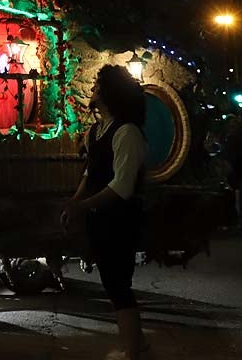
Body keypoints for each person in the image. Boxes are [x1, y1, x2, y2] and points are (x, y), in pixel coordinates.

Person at [62, 64, 149, 359]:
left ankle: (132, 350)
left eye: (98, 84)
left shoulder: (127, 133)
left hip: (120, 219)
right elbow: (90, 173)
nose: (92, 89)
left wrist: (82, 206)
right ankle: (136, 345)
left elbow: (122, 186)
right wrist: (75, 202)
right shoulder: (96, 131)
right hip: (100, 217)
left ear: (110, 92)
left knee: (118, 285)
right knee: (113, 283)